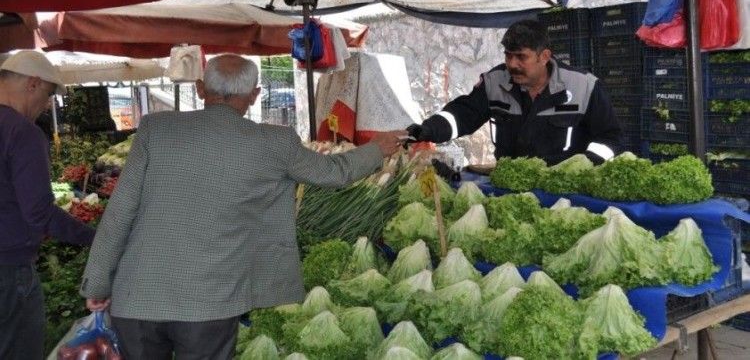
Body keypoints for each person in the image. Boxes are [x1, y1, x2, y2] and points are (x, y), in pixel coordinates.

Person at [80, 54, 406, 359]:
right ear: (255, 95)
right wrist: (377, 148)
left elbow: (119, 212)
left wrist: (97, 282)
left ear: (200, 88)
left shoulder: (155, 129)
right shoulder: (275, 142)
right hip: (209, 306)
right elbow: (336, 172)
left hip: (137, 300)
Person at [407, 19, 622, 165]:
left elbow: (611, 138)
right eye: (508, 56)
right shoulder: (494, 82)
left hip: (564, 196)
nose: (512, 64)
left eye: (521, 57)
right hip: (508, 190)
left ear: (544, 56)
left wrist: (585, 165)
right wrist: (428, 129)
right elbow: (462, 115)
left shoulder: (584, 86)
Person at [0, 51, 96, 359]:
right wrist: (94, 237)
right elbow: (39, 213)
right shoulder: (22, 132)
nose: (45, 105)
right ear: (33, 83)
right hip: (8, 270)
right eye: (46, 96)